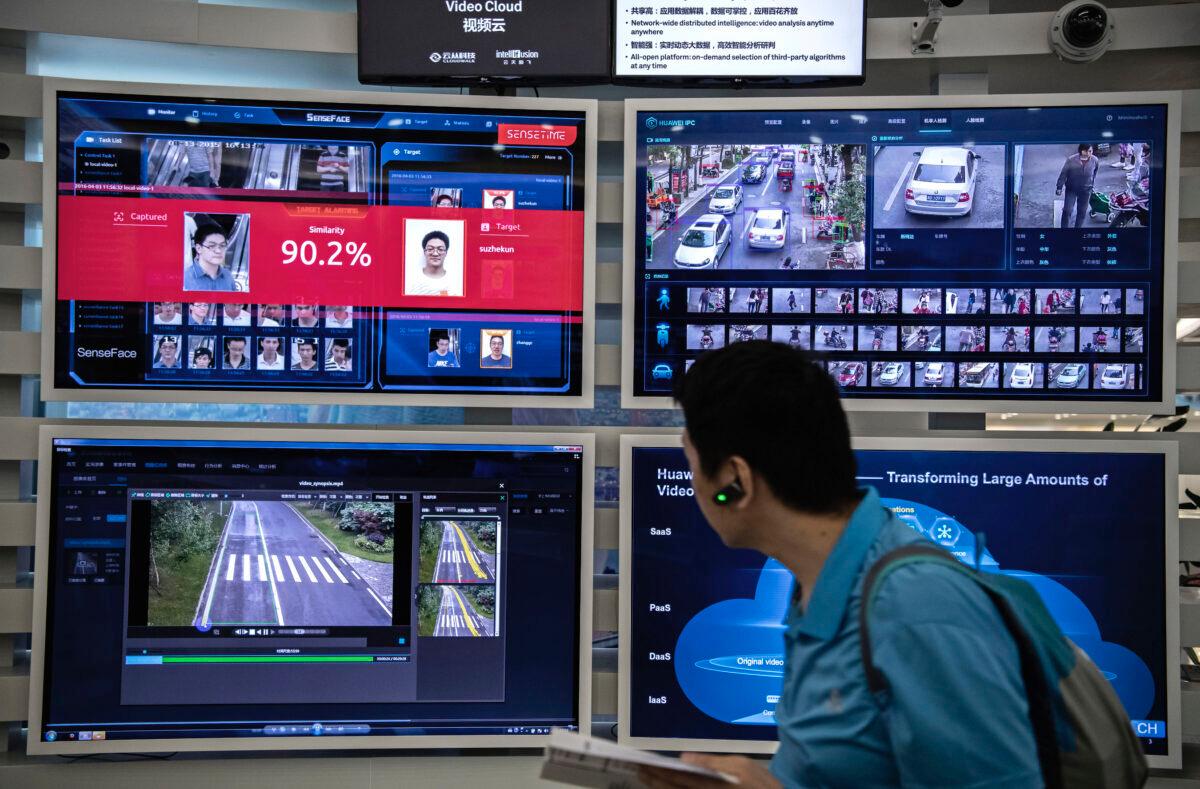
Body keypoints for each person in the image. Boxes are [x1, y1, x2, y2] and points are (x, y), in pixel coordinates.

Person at [639, 341, 1041, 789]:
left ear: (734, 483)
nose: (693, 485)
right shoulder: (819, 588)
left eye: (692, 465)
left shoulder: (916, 606)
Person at [1056, 143, 1100, 228]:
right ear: (1082, 151)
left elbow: (1094, 174)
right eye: (1088, 151)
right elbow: (1064, 173)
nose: (1090, 153)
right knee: (1067, 210)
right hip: (1071, 189)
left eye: (1091, 151)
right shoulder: (1071, 160)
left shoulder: (1095, 160)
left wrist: (1091, 184)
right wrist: (1059, 187)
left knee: (1082, 212)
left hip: (1086, 190)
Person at [407, 229, 461, 297]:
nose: (435, 253)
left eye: (440, 249)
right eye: (430, 249)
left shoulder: (454, 282)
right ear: (424, 252)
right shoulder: (412, 280)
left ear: (446, 253)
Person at [185, 224, 238, 291]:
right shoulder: (185, 279)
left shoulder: (228, 276)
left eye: (222, 245)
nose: (218, 251)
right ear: (198, 248)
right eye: (212, 246)